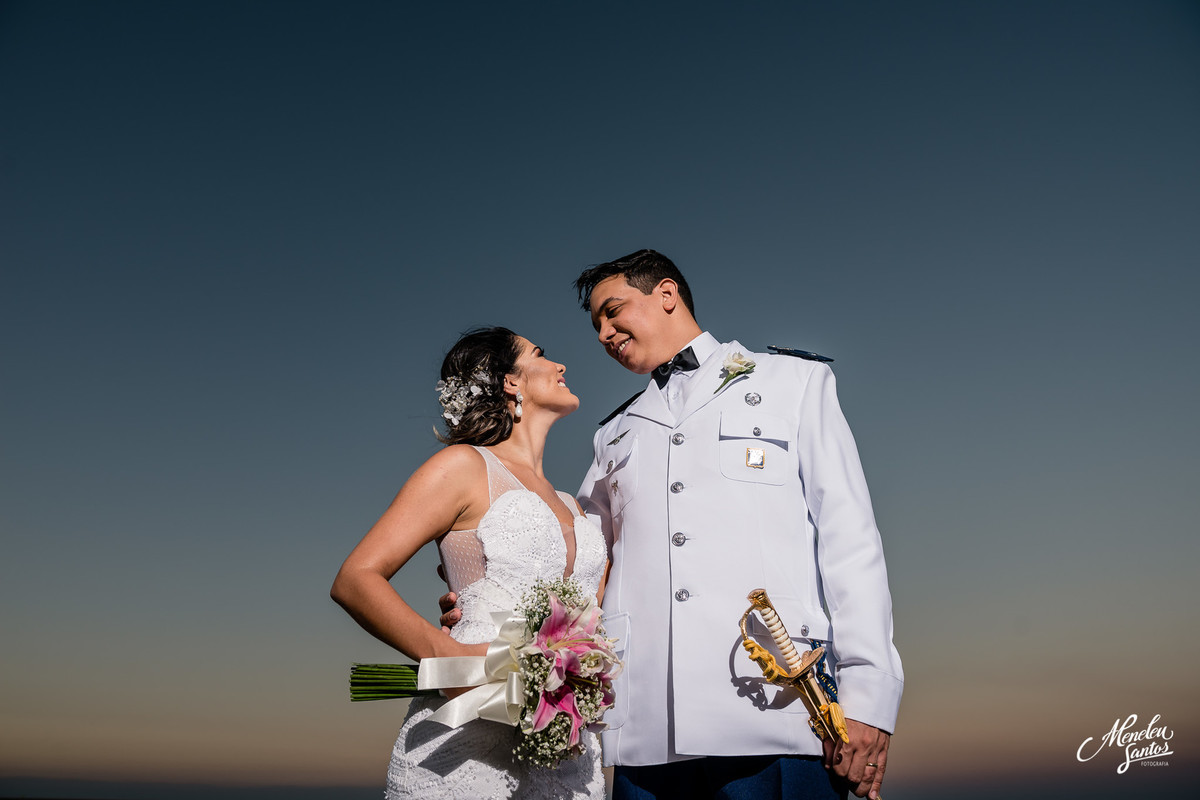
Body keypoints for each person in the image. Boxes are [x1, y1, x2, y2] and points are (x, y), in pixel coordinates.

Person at [572, 249, 903, 800]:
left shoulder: (795, 382)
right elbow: (581, 556)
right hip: (647, 727)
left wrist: (869, 694)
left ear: (667, 294)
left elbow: (850, 539)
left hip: (774, 705)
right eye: (596, 326)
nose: (604, 333)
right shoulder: (613, 434)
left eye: (613, 311)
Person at [331, 326, 609, 800]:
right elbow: (356, 579)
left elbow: (588, 623)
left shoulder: (575, 504)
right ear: (509, 382)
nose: (561, 366)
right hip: (462, 747)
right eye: (540, 355)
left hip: (566, 755)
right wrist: (446, 659)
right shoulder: (463, 467)